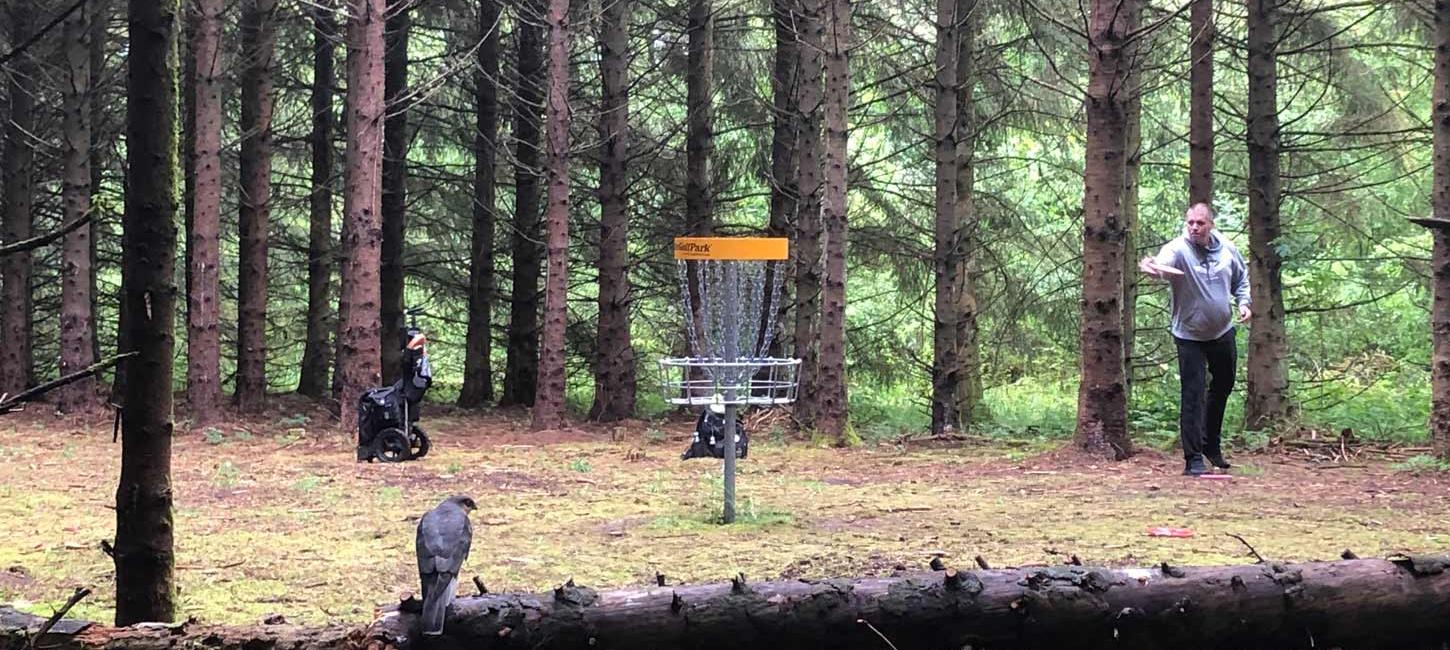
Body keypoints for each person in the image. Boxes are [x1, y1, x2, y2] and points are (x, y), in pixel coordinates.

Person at [1139, 203, 1252, 476]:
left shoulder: (1227, 248)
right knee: (1193, 393)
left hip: (1222, 331)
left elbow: (1241, 279)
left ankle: (1210, 445)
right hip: (1188, 335)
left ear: (1210, 225)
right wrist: (1152, 268)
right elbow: (1162, 265)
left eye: (1200, 223)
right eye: (1190, 222)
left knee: (1223, 385)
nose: (1194, 228)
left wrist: (1245, 303)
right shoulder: (1178, 248)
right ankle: (1193, 460)